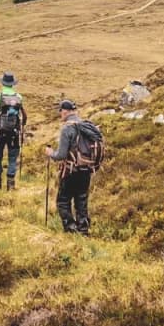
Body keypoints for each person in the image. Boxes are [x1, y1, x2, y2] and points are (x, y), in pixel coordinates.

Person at [44, 100, 102, 235]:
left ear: (65, 111)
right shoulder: (86, 126)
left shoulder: (67, 128)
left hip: (71, 171)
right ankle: (83, 230)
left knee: (63, 201)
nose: (60, 114)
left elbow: (61, 155)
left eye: (60, 111)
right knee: (81, 200)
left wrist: (50, 153)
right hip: (86, 170)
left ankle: (71, 230)